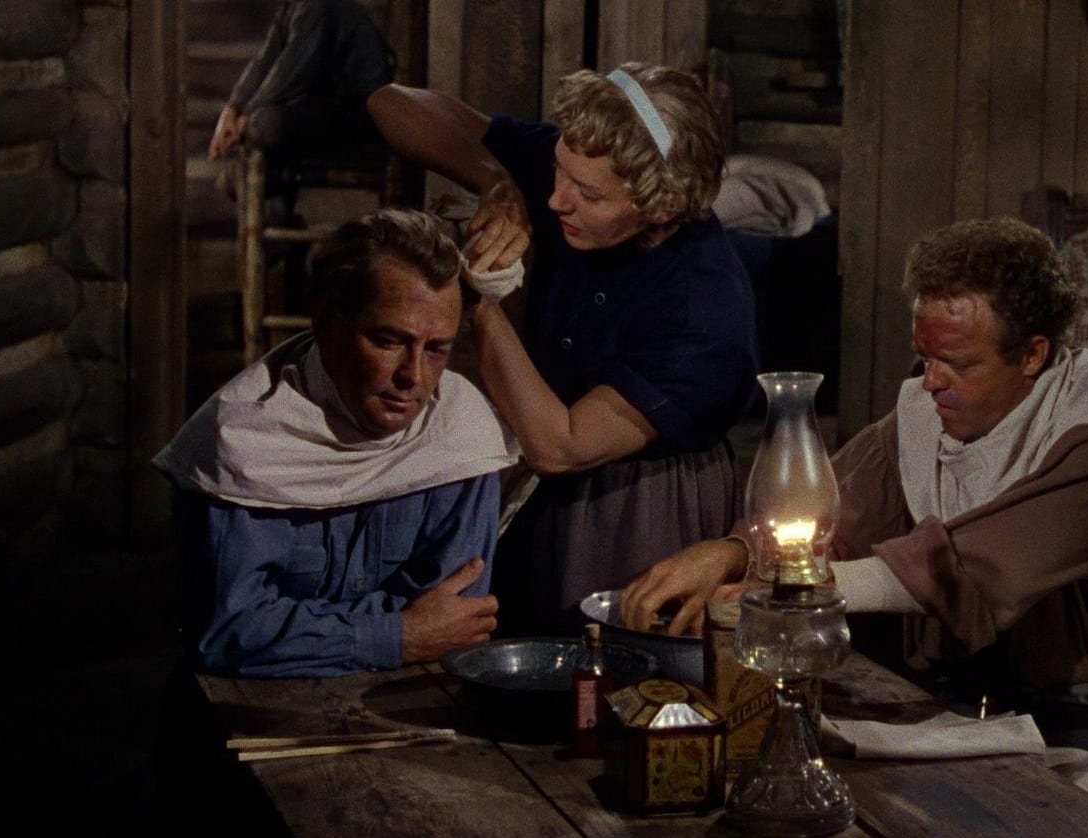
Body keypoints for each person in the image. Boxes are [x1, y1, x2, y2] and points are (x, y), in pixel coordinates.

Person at [620, 218, 1088, 831]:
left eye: (957, 363)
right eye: (925, 357)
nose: (931, 381)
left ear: (1032, 355)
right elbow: (828, 517)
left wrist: (797, 588)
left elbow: (963, 565)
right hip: (957, 719)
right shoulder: (923, 416)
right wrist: (733, 552)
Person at [367, 61, 760, 637]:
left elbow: (561, 444)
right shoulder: (584, 163)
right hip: (537, 466)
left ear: (661, 206)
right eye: (557, 171)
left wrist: (479, 302)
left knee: (609, 659)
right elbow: (390, 103)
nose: (556, 200)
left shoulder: (703, 312)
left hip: (637, 502)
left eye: (589, 195)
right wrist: (494, 180)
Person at [153, 208, 520, 677]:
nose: (413, 376)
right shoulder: (246, 440)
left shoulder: (460, 434)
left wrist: (300, 631)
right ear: (327, 326)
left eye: (436, 349)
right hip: (237, 705)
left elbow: (455, 620)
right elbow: (229, 631)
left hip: (402, 699)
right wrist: (398, 634)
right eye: (388, 341)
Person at [206, 0, 395, 222]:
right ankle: (278, 219)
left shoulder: (317, 5)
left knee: (264, 125)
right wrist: (231, 111)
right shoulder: (290, 8)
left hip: (360, 117)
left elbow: (292, 71)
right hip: (330, 112)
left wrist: (244, 119)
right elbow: (264, 62)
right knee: (263, 126)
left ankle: (271, 206)